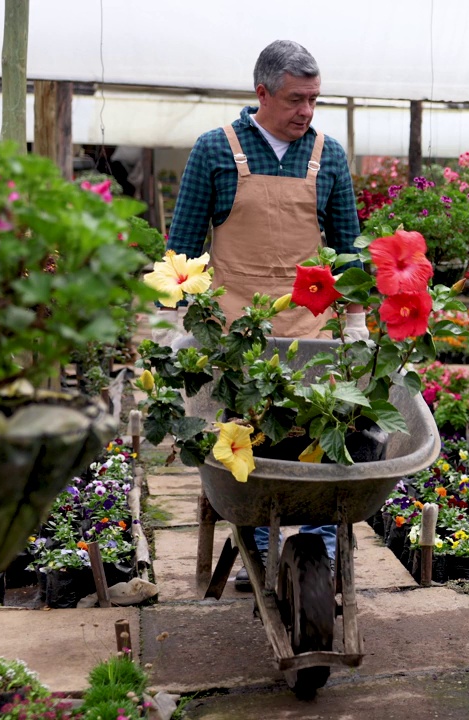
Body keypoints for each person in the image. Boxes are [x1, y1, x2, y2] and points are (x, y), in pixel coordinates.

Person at [155, 39, 367, 591]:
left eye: (314, 99)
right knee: (250, 441)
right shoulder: (215, 150)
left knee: (319, 433)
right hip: (234, 333)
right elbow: (182, 246)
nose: (306, 111)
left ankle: (318, 538)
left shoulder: (329, 154)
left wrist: (357, 323)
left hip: (311, 333)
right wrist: (191, 320)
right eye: (296, 99)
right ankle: (261, 534)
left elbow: (349, 249)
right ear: (262, 93)